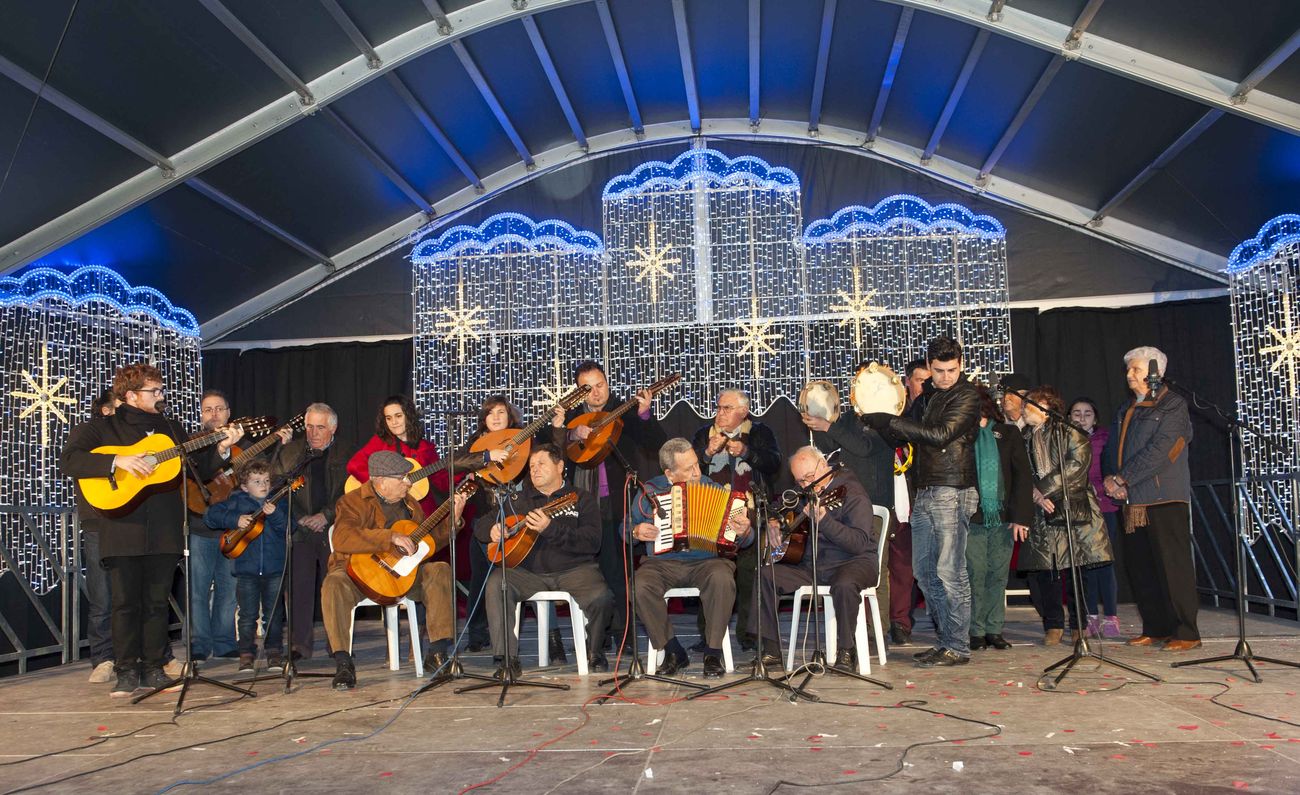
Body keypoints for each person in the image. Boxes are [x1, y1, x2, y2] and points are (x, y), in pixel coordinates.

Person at [61, 363, 242, 696]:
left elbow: (197, 470)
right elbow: (69, 460)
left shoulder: (171, 429)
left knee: (157, 602)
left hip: (164, 527)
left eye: (161, 390)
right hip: (121, 526)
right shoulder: (103, 428)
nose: (161, 396)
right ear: (130, 395)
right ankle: (127, 670)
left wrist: (222, 448)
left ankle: (155, 668)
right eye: (153, 391)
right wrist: (117, 461)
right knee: (125, 603)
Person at [863, 336, 980, 667]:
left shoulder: (967, 396)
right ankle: (946, 641)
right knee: (925, 571)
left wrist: (891, 421)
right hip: (925, 489)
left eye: (952, 370)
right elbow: (901, 434)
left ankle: (957, 645)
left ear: (961, 365)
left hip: (952, 489)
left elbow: (940, 435)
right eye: (939, 370)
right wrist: (877, 417)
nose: (945, 377)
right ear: (928, 366)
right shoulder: (926, 396)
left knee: (950, 570)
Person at [323, 450, 464, 689]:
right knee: (333, 584)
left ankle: (437, 653)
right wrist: (390, 537)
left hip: (402, 576)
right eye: (402, 478)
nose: (408, 483)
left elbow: (426, 545)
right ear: (380, 480)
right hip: (357, 573)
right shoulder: (352, 501)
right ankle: (343, 663)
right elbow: (343, 538)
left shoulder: (411, 505)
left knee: (439, 568)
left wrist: (455, 521)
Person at [476, 444, 613, 677]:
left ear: (560, 466)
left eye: (541, 464)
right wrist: (492, 530)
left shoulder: (581, 499)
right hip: (530, 573)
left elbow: (592, 542)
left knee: (602, 597)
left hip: (575, 570)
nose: (534, 469)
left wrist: (551, 529)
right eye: (531, 466)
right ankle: (507, 659)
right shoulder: (518, 500)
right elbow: (479, 526)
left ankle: (595, 649)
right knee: (498, 583)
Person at [625, 438, 754, 677]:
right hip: (662, 564)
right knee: (639, 585)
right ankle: (673, 650)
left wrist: (745, 531)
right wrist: (636, 531)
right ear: (669, 474)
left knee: (722, 578)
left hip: (707, 562)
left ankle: (713, 652)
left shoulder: (713, 489)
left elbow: (745, 540)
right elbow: (625, 528)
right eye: (688, 469)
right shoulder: (650, 492)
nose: (697, 472)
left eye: (697, 464)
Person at [565, 361, 666, 655]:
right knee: (590, 571)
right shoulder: (572, 418)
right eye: (588, 388)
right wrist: (571, 434)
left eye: (600, 385)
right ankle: (598, 632)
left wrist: (645, 412)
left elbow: (655, 443)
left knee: (620, 568)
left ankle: (625, 631)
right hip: (583, 504)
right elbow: (555, 452)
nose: (596, 393)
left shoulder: (624, 410)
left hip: (620, 501)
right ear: (579, 391)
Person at [1102, 346, 1199, 651]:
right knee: (1141, 568)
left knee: (1173, 566)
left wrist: (1123, 478)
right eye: (1128, 369)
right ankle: (1155, 627)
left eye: (1136, 369)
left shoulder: (1173, 405)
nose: (1130, 375)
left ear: (1156, 372)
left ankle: (1186, 632)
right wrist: (1110, 478)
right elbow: (1112, 448)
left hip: (1163, 498)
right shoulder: (1126, 408)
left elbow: (1161, 451)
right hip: (1131, 500)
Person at [752, 447, 878, 671]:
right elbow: (776, 507)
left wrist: (825, 520)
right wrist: (773, 522)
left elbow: (858, 543)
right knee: (766, 575)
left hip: (853, 562)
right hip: (812, 564)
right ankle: (770, 649)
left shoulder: (852, 492)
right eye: (799, 481)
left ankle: (847, 650)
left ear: (823, 466)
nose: (805, 485)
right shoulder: (803, 490)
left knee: (845, 584)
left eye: (809, 478)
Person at [799, 378, 893, 644]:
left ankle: (879, 630)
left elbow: (864, 448)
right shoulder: (850, 419)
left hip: (874, 504)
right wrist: (820, 427)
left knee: (876, 566)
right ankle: (852, 628)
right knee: (844, 565)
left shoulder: (886, 419)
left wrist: (828, 425)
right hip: (844, 502)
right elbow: (830, 450)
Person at [1018, 386, 1113, 645]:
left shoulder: (1069, 432)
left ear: (1047, 407)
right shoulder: (1023, 436)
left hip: (1071, 507)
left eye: (1031, 404)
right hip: (1041, 511)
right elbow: (1016, 471)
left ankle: (1079, 626)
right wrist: (1033, 493)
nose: (1025, 409)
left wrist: (1042, 489)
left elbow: (1077, 464)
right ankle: (1053, 626)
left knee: (1075, 570)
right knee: (1046, 571)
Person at [456, 395, 551, 653]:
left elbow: (544, 461)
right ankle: (477, 632)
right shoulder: (478, 443)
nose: (496, 417)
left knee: (530, 573)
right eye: (490, 413)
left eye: (501, 412)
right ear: (484, 419)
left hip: (521, 516)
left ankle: (552, 638)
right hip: (485, 519)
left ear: (510, 416)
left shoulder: (524, 437)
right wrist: (486, 455)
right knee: (481, 577)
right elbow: (455, 462)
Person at [690, 389, 780, 651]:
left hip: (749, 513)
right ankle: (707, 635)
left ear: (743, 411)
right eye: (718, 408)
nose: (719, 413)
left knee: (749, 575)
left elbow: (774, 463)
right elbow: (687, 469)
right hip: (711, 512)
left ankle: (748, 634)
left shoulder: (760, 432)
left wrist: (747, 451)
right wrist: (707, 452)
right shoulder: (702, 434)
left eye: (726, 408)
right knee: (711, 573)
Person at [272, 402, 348, 661]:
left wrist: (326, 515)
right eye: (309, 427)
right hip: (300, 529)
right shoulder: (290, 453)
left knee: (335, 587)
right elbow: (275, 489)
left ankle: (337, 645)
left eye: (320, 427)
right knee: (298, 588)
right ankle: (299, 646)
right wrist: (299, 518)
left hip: (334, 529)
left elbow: (351, 494)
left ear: (333, 428)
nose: (313, 433)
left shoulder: (346, 454)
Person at [203, 461, 288, 673]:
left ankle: (274, 652)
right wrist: (234, 519)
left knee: (274, 614)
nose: (263, 485)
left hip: (274, 568)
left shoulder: (278, 502)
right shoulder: (236, 501)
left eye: (267, 481)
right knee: (248, 615)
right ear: (244, 486)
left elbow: (289, 527)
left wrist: (275, 515)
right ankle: (246, 654)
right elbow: (210, 516)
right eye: (257, 481)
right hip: (246, 570)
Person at [966, 387, 1033, 652]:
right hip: (971, 516)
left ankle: (994, 629)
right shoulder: (961, 436)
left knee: (997, 574)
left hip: (1002, 518)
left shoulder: (1008, 433)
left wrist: (1020, 518)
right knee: (974, 572)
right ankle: (975, 630)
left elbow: (1021, 477)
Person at [186, 389, 239, 662]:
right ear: (201, 414)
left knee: (228, 591)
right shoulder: (191, 444)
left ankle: (225, 641)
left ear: (229, 413)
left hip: (231, 530)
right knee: (197, 591)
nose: (214, 414)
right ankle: (199, 643)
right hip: (199, 528)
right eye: (208, 409)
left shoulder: (239, 447)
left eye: (219, 408)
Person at [347, 395, 451, 515]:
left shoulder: (426, 447)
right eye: (388, 418)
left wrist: (463, 472)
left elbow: (442, 481)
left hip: (419, 509)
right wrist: (382, 487)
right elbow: (354, 465)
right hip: (387, 511)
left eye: (398, 416)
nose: (394, 422)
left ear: (409, 416)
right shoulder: (380, 442)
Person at [888, 358, 931, 644]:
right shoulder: (891, 413)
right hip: (885, 496)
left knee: (909, 566)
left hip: (919, 499)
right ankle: (889, 621)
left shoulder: (936, 414)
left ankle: (902, 622)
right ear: (907, 383)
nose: (926, 386)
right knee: (888, 565)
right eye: (920, 381)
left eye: (931, 381)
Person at [1071, 397, 1122, 639]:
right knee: (1086, 564)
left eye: (1087, 413)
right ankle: (1090, 615)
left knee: (1105, 562)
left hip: (1104, 506)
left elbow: (1111, 468)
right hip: (1078, 507)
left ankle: (1111, 616)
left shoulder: (1106, 437)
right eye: (1077, 413)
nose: (1082, 417)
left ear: (1096, 417)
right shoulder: (1065, 438)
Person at [79, 389, 119, 684]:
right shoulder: (89, 434)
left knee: (133, 595)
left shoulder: (136, 437)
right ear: (106, 410)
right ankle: (103, 658)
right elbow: (72, 463)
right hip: (97, 523)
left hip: (130, 524)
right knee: (102, 597)